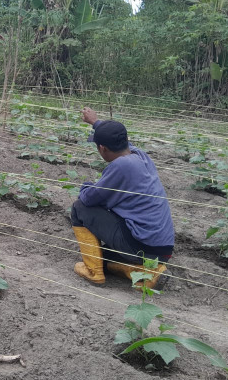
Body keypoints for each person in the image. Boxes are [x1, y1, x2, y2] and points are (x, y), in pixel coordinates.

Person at [70, 107, 174, 289]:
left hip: (140, 247)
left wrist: (86, 185)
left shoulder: (121, 166)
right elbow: (120, 141)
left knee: (79, 208)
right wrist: (96, 123)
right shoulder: (139, 155)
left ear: (102, 148)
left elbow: (89, 199)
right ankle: (150, 273)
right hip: (161, 249)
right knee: (105, 257)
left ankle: (93, 272)